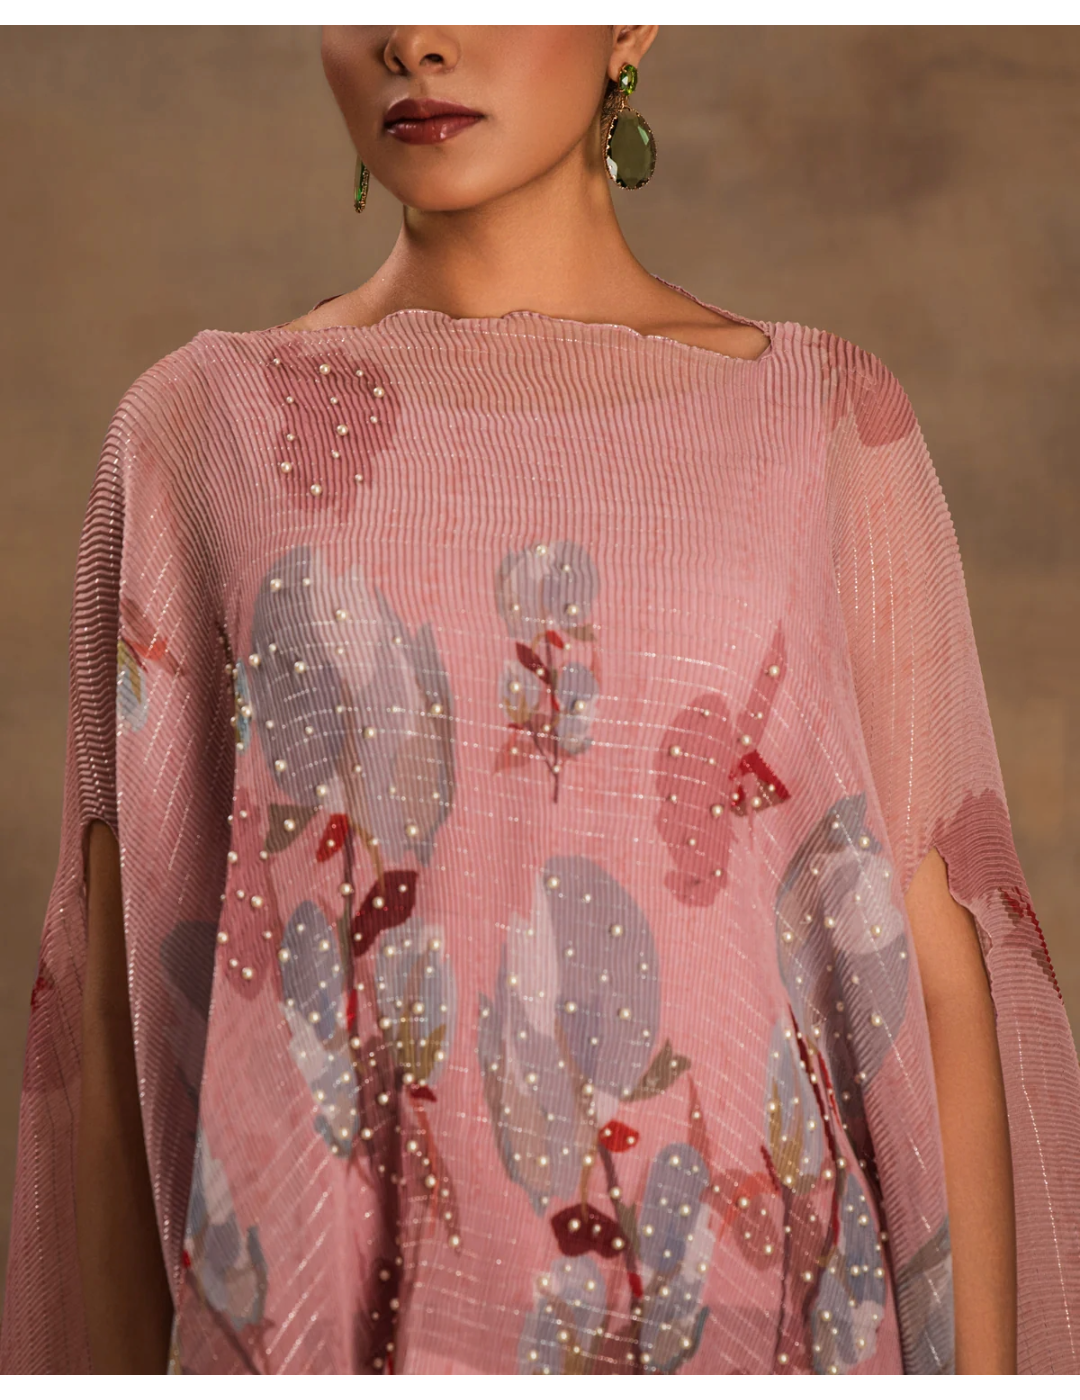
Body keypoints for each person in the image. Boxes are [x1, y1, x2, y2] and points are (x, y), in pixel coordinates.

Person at [2, 24, 1077, 1377]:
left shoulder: (818, 423)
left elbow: (933, 969)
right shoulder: (200, 431)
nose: (415, 40)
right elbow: (121, 1006)